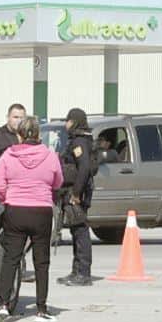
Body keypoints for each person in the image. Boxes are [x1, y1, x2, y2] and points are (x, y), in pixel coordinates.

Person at [0, 117, 63, 322]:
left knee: (11, 259)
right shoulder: (50, 156)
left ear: (19, 135)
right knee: (41, 261)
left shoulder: (7, 156)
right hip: (41, 210)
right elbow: (57, 182)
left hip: (16, 210)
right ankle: (41, 309)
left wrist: (8, 199)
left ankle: (3, 305)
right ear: (38, 135)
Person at [58, 107, 97, 287]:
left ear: (74, 122)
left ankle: (83, 273)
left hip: (77, 193)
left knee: (80, 230)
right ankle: (76, 271)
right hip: (76, 191)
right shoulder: (79, 139)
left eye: (68, 121)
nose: (66, 124)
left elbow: (84, 168)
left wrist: (75, 193)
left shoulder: (79, 142)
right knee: (76, 230)